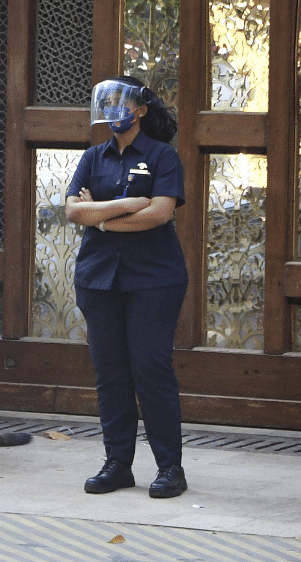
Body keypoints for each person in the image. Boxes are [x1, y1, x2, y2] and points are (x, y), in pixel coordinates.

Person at [64, 75, 188, 499]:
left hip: (154, 279)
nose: (114, 109)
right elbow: (71, 211)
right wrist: (119, 208)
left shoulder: (162, 157)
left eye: (122, 103)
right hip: (99, 278)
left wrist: (97, 214)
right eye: (109, 101)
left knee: (150, 370)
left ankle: (170, 467)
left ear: (140, 110)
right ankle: (118, 463)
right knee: (111, 374)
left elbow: (159, 214)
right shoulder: (94, 156)